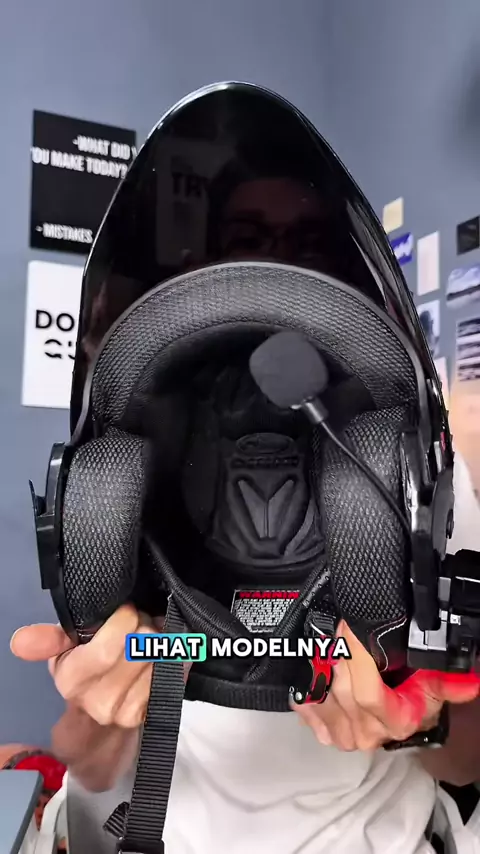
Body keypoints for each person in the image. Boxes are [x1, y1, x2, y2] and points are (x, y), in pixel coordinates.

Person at [11, 91, 480, 853]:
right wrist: (99, 717)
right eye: (250, 237)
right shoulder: (144, 439)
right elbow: (86, 758)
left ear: (343, 268)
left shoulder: (414, 465)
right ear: (212, 259)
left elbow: (467, 761)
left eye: (307, 240)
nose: (278, 260)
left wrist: (417, 723)